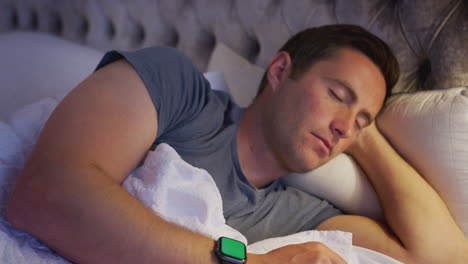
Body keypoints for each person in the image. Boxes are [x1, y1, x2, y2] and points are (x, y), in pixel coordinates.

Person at [5, 24, 468, 264]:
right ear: (281, 70)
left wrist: (369, 141)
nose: (344, 126)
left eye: (362, 120)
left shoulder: (299, 215)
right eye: (337, 95)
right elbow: (46, 194)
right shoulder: (177, 89)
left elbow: (441, 258)